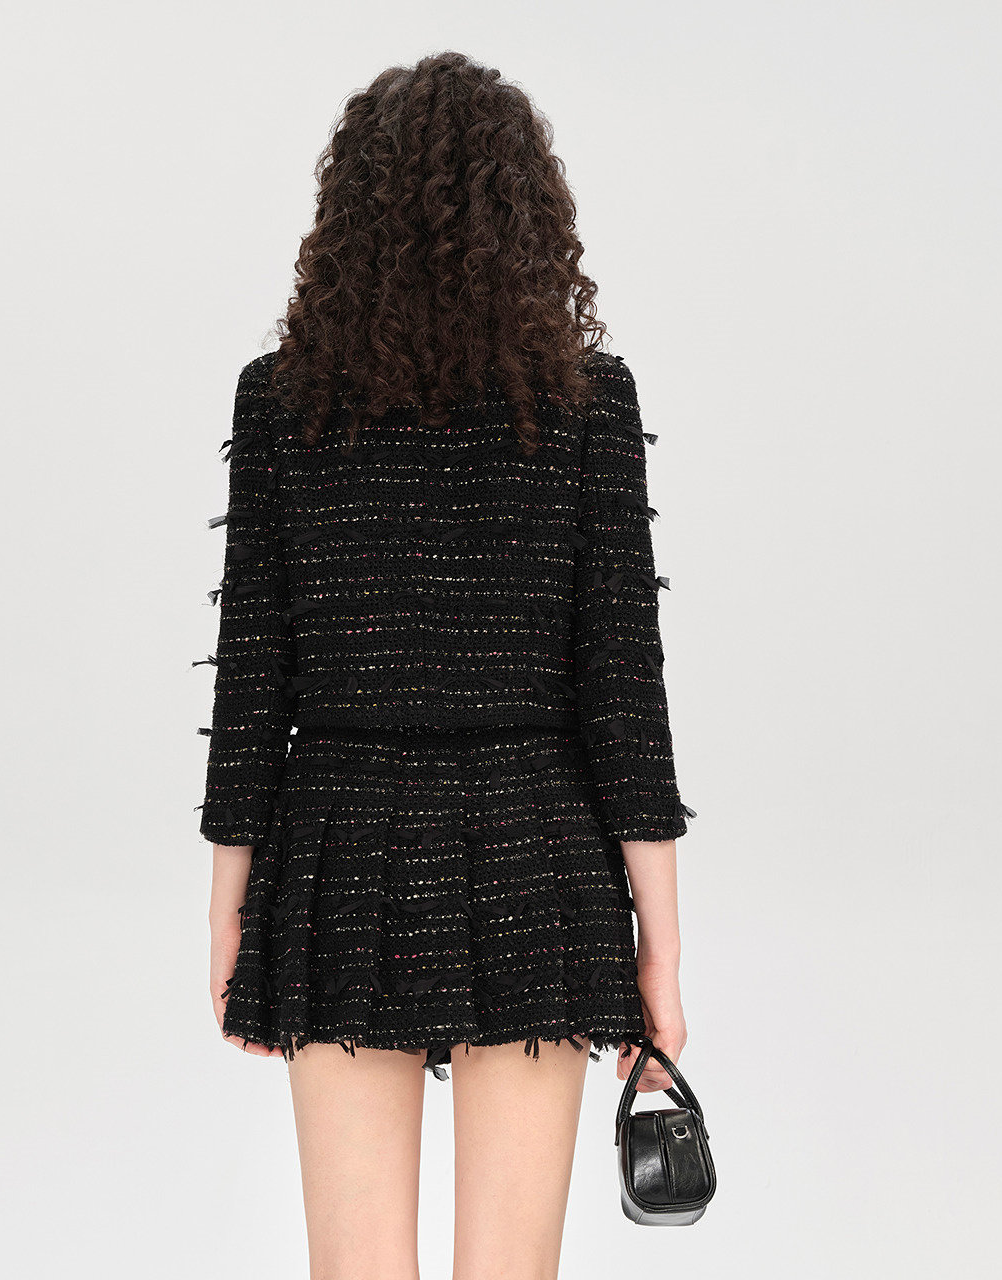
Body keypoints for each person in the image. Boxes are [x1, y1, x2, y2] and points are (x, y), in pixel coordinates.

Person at [200, 50, 696, 1280]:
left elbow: (254, 683)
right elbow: (621, 694)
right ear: (530, 222)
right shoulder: (584, 407)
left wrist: (228, 911)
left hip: (337, 854)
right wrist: (662, 948)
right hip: (537, 849)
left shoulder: (283, 405)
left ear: (346, 221)